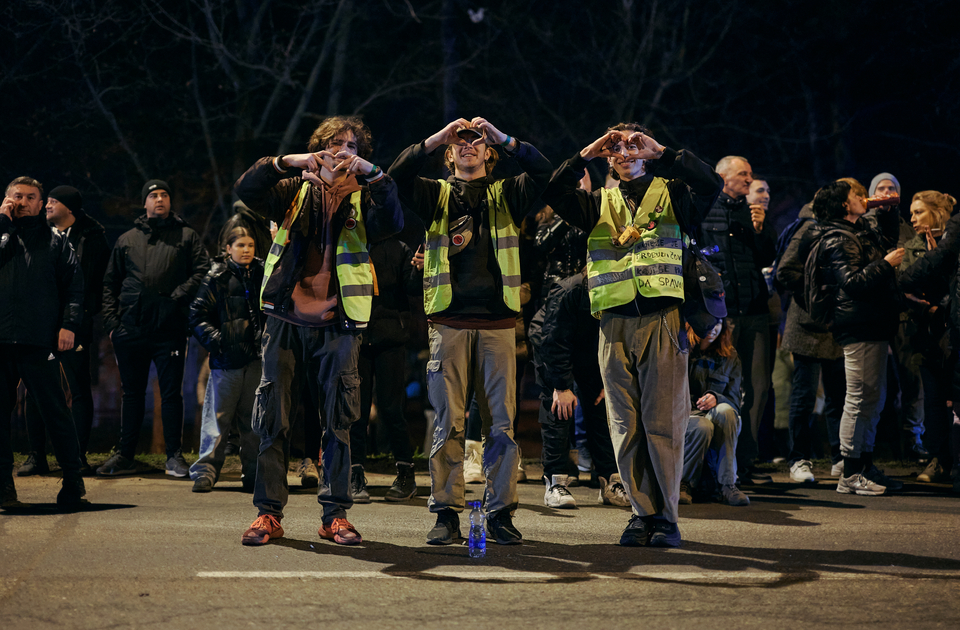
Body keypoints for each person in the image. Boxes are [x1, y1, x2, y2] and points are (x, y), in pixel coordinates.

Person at [543, 123, 723, 547]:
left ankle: (667, 518)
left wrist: (663, 151)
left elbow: (711, 183)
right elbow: (553, 193)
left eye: (631, 145)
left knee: (664, 424)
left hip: (662, 318)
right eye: (616, 148)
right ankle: (641, 513)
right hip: (614, 322)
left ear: (645, 151)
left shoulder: (673, 192)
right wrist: (587, 152)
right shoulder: (597, 202)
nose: (623, 153)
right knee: (624, 425)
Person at [235, 115, 402, 547]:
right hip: (286, 318)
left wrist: (372, 173)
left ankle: (335, 515)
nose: (341, 150)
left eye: (351, 145)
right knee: (273, 417)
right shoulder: (294, 190)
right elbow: (246, 189)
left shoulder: (365, 197)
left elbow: (395, 219)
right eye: (332, 143)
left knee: (340, 421)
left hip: (338, 322)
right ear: (319, 149)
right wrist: (290, 161)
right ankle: (267, 514)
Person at [388, 117, 552, 545]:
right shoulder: (436, 193)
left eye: (477, 142)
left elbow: (544, 173)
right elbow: (394, 176)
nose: (467, 146)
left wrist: (505, 137)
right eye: (458, 143)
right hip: (450, 322)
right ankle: (446, 513)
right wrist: (436, 136)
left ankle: (500, 513)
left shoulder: (507, 194)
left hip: (498, 325)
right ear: (448, 153)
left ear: (489, 153)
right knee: (449, 423)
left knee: (501, 425)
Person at [98, 180, 210, 477]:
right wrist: (113, 324)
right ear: (144, 203)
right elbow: (109, 284)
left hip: (169, 330)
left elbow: (203, 270)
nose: (159, 199)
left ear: (170, 201)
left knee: (172, 394)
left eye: (164, 195)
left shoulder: (186, 236)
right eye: (153, 195)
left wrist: (176, 299)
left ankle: (174, 456)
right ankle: (125, 455)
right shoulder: (127, 240)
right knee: (131, 393)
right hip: (130, 329)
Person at [809, 179, 903, 496]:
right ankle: (849, 472)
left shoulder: (858, 229)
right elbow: (853, 282)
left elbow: (886, 240)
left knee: (872, 399)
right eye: (855, 195)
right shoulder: (838, 238)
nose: (863, 198)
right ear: (843, 205)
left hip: (873, 322)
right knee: (859, 396)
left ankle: (864, 463)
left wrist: (889, 212)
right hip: (858, 323)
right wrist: (886, 265)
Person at [1, 176, 86, 509]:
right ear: (6, 200)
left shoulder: (55, 242)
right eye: (16, 196)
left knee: (55, 413)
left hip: (39, 340)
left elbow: (74, 287)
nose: (23, 202)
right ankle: (4, 486)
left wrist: (69, 325)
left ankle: (72, 480)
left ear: (40, 204)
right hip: (1, 341)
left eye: (31, 197)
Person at [18, 185, 109, 476]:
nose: (46, 206)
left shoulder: (92, 239)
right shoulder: (38, 235)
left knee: (78, 390)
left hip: (75, 325)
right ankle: (37, 455)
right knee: (34, 391)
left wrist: (73, 322)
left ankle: (78, 455)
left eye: (52, 202)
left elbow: (90, 285)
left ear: (69, 207)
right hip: (39, 325)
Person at [700, 156, 777, 484]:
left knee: (758, 387)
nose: (749, 180)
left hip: (755, 311)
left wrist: (760, 229)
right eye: (743, 174)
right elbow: (699, 253)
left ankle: (746, 460)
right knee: (725, 385)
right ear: (723, 177)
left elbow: (768, 257)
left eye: (750, 174)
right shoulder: (705, 208)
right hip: (723, 314)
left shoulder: (754, 211)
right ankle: (718, 460)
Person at [528, 271, 624, 509]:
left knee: (600, 408)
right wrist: (561, 385)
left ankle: (609, 481)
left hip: (590, 351)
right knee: (559, 408)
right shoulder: (570, 290)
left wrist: (606, 378)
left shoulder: (622, 285)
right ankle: (555, 481)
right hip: (553, 344)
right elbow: (554, 337)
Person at [188, 227, 265, 493]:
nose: (246, 250)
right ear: (228, 249)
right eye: (240, 244)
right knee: (217, 419)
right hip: (226, 361)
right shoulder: (217, 276)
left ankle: (254, 475)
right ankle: (205, 472)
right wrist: (219, 341)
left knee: (253, 422)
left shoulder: (263, 273)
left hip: (256, 361)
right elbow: (197, 314)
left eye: (251, 245)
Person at [776, 201, 846, 482]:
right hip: (806, 324)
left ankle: (839, 456)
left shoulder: (843, 230)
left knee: (837, 396)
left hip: (833, 325)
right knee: (803, 397)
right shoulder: (807, 228)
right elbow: (785, 271)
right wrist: (815, 297)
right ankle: (798, 459)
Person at [348, 235, 419, 503]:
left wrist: (418, 269)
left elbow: (412, 288)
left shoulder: (398, 247)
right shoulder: (349, 242)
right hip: (356, 335)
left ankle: (405, 474)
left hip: (390, 337)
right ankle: (354, 474)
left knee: (391, 408)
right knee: (357, 410)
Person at [899, 191, 957, 485]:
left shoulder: (953, 241)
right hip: (928, 331)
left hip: (954, 329)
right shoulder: (911, 246)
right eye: (911, 212)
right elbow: (906, 285)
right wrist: (930, 309)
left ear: (936, 212)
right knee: (933, 397)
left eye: (919, 212)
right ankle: (937, 459)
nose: (912, 218)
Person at [680, 319, 750, 506]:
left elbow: (735, 400)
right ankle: (683, 484)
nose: (713, 328)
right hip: (685, 415)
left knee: (726, 411)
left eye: (718, 323)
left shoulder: (729, 355)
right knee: (703, 426)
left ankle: (728, 484)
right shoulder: (681, 347)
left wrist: (717, 398)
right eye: (709, 322)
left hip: (713, 413)